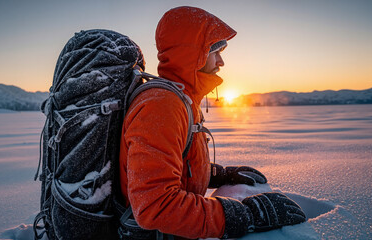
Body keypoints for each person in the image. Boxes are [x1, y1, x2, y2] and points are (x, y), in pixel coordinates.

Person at [119, 6, 306, 239]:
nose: (221, 61)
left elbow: (173, 165)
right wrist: (246, 215)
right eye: (214, 50)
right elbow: (155, 207)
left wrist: (216, 175)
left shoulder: (181, 98)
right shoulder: (162, 105)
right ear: (192, 52)